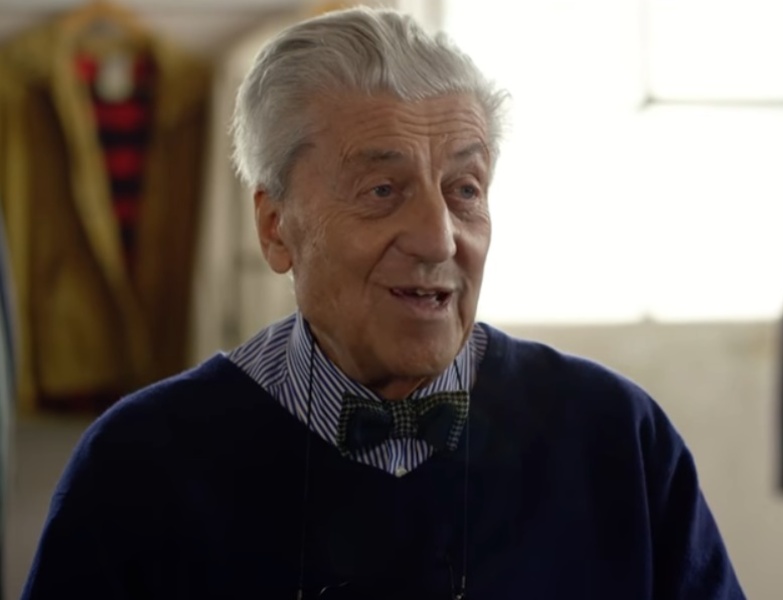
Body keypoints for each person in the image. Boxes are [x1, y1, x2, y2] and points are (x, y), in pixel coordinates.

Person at [21, 8, 745, 599]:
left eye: (464, 190)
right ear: (275, 227)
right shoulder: (140, 465)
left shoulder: (615, 436)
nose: (439, 238)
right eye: (382, 190)